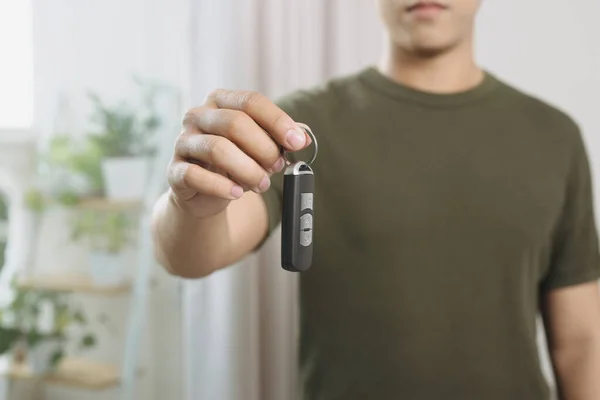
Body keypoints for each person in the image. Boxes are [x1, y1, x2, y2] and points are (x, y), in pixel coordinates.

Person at [152, 0, 600, 398]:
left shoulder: (554, 136)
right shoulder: (298, 129)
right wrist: (189, 203)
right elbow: (190, 256)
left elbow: (580, 342)